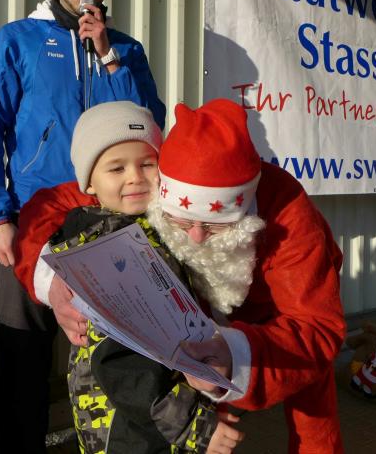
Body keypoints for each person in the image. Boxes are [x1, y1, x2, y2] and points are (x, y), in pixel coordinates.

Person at [15, 99, 347, 453]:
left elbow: (315, 328)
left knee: (311, 393)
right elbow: (46, 206)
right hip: (193, 315)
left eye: (215, 226)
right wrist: (53, 283)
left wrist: (235, 356)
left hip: (278, 309)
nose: (197, 238)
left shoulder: (290, 216)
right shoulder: (143, 182)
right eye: (182, 222)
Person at [0, 0, 165, 451]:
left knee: (120, 348)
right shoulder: (19, 40)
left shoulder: (126, 48)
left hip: (110, 217)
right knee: (23, 353)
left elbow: (148, 124)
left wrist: (108, 55)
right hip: (36, 216)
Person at [16, 101, 242, 453]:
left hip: (154, 415)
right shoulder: (102, 250)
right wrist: (194, 426)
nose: (135, 176)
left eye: (147, 163)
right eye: (116, 168)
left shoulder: (152, 229)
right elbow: (121, 361)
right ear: (89, 183)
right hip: (126, 425)